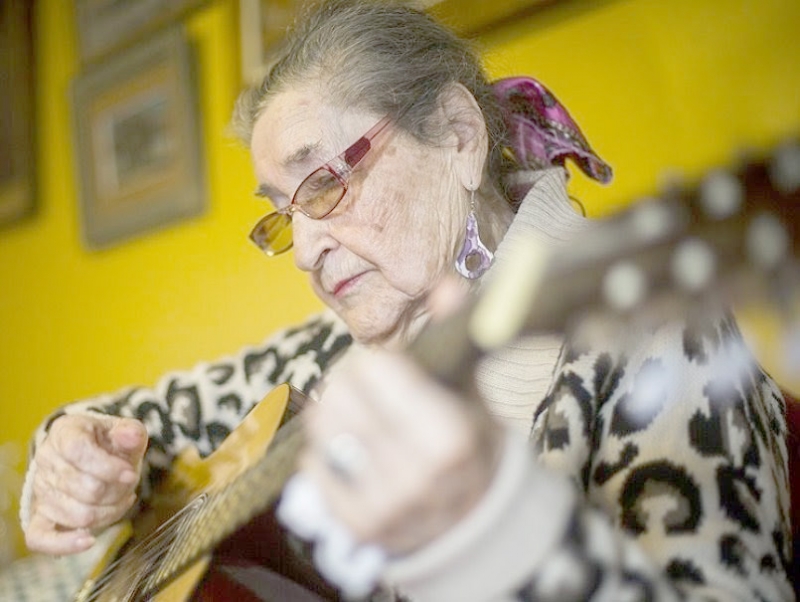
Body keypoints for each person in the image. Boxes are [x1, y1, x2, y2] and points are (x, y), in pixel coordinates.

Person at [20, 0, 793, 600]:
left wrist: (493, 530)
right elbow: (137, 423)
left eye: (325, 182)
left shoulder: (655, 338)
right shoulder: (332, 355)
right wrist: (71, 458)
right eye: (283, 212)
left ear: (458, 135)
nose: (310, 250)